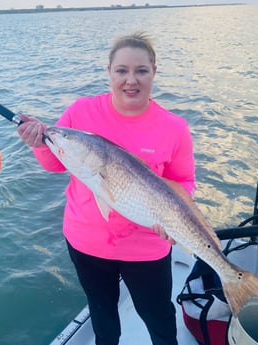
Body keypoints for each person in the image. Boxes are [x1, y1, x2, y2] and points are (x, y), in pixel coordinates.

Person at [17, 32, 196, 345]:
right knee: (103, 320)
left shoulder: (174, 128)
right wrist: (39, 143)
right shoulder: (81, 111)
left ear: (154, 71)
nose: (131, 80)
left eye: (141, 70)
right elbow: (56, 163)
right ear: (109, 72)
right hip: (86, 242)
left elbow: (184, 182)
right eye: (122, 71)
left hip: (148, 246)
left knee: (160, 319)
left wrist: (174, 219)